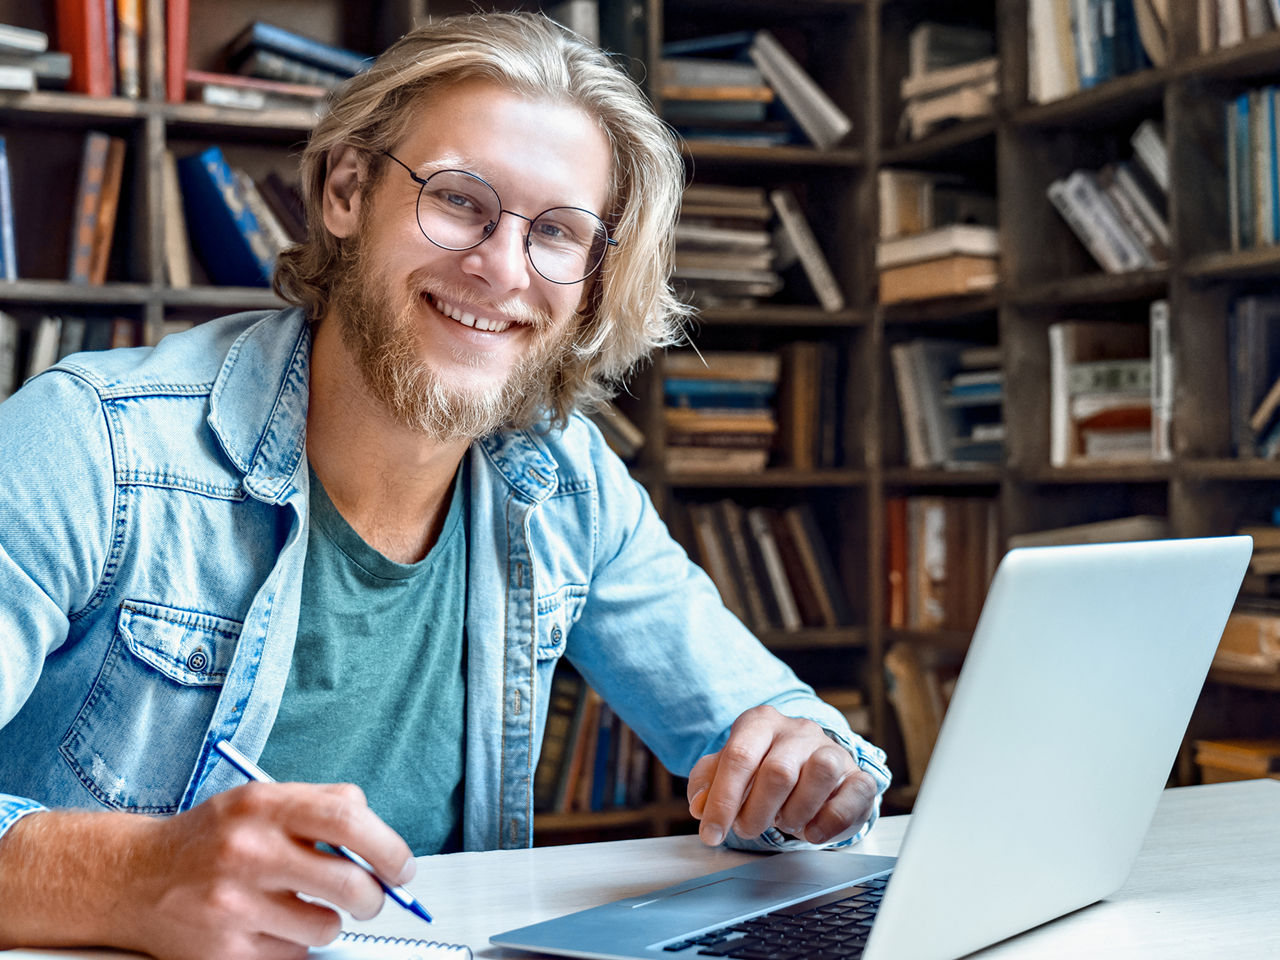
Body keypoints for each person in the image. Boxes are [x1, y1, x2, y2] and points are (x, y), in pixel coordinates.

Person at [0, 12, 890, 959]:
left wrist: (811, 773)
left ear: (591, 278)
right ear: (346, 191)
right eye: (460, 200)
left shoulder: (566, 483)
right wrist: (139, 875)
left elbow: (782, 731)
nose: (500, 268)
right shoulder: (90, 442)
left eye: (557, 232)